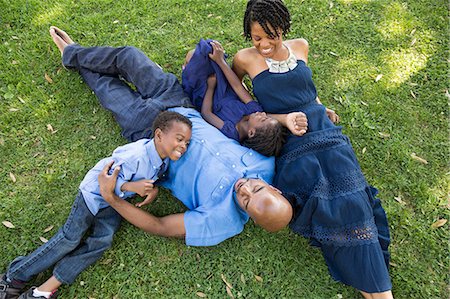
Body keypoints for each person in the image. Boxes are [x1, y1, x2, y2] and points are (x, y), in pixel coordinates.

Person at [0, 26, 297, 299]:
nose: (244, 190)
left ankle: (73, 55)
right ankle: (72, 53)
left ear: (250, 217)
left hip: (149, 137)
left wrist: (112, 199)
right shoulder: (266, 165)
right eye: (256, 190)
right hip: (178, 104)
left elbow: (161, 226)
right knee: (129, 56)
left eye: (245, 202)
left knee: (107, 88)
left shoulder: (222, 222)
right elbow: (274, 121)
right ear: (275, 189)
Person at [232, 1, 393, 298]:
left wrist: (322, 108)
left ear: (284, 28)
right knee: (325, 202)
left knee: (354, 198)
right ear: (249, 36)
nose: (265, 44)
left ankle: (376, 288)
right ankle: (377, 289)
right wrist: (281, 119)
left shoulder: (300, 47)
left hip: (323, 130)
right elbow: (242, 98)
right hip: (290, 140)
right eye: (257, 38)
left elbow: (310, 91)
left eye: (272, 35)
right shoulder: (245, 58)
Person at [0, 111, 192, 299]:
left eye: (187, 143)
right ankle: (13, 278)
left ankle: (43, 291)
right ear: (159, 135)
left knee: (102, 241)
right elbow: (106, 177)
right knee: (69, 239)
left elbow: (151, 179)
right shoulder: (136, 155)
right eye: (179, 139)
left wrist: (152, 189)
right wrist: (131, 186)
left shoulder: (163, 162)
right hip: (93, 195)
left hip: (114, 203)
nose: (183, 146)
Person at [182, 39, 305, 156]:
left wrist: (211, 87)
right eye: (266, 116)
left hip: (205, 96)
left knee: (194, 55)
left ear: (251, 132)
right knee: (211, 48)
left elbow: (206, 113)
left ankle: (187, 70)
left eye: (263, 119)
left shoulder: (231, 131)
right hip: (223, 86)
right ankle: (193, 67)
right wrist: (221, 61)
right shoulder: (253, 110)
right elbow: (237, 87)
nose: (263, 114)